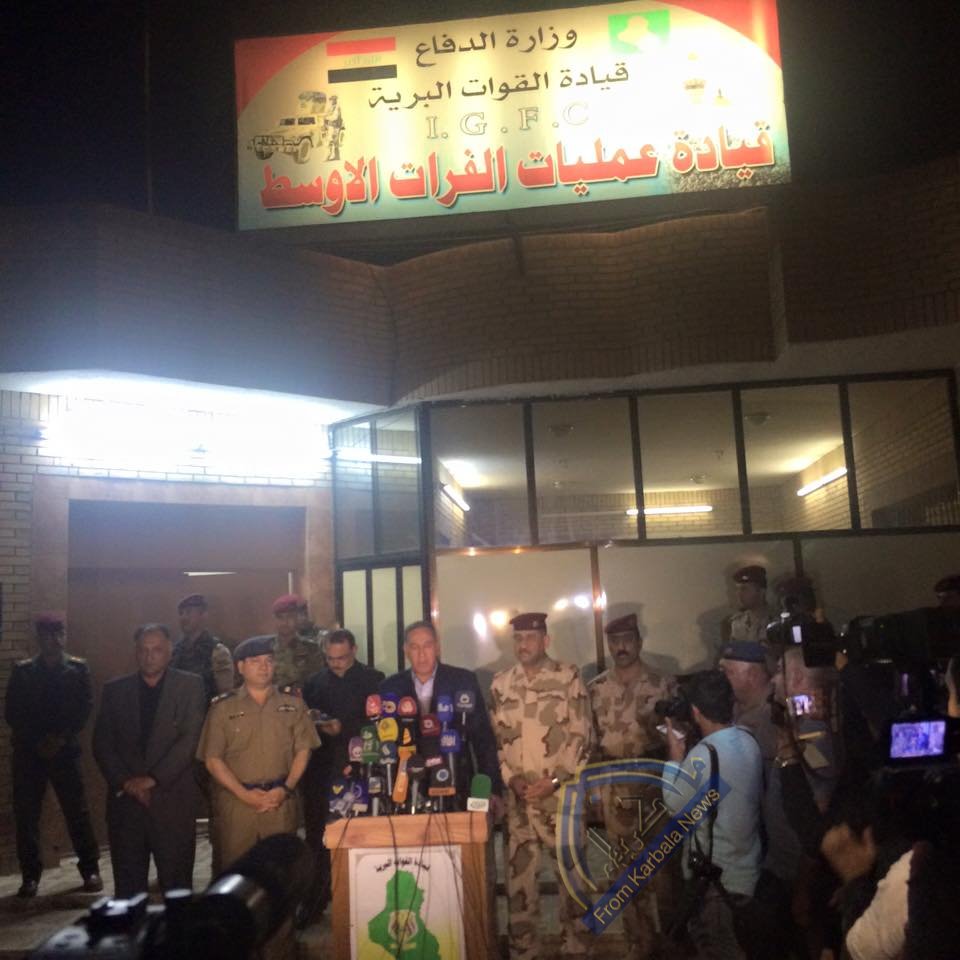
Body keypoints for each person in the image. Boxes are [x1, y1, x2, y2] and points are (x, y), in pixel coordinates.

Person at [490, 612, 592, 960]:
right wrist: (511, 778)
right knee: (519, 888)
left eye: (531, 637)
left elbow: (582, 736)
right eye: (518, 638)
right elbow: (495, 742)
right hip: (519, 804)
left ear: (545, 641)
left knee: (572, 883)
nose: (523, 644)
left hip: (560, 802)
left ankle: (577, 949)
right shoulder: (501, 684)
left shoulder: (567, 677)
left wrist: (554, 780)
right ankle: (524, 951)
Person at [93, 623, 206, 896]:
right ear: (136, 652)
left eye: (156, 650)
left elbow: (190, 740)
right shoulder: (115, 690)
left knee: (177, 890)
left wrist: (152, 779)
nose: (149, 656)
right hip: (127, 806)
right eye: (143, 650)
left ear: (169, 652)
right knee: (128, 893)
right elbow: (102, 743)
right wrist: (127, 782)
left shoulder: (190, 685)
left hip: (172, 803)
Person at [588, 612, 676, 959]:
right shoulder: (596, 688)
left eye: (627, 640)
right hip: (615, 788)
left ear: (639, 642)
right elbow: (591, 744)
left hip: (655, 784)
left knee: (664, 870)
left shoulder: (662, 683)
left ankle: (671, 942)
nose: (620, 647)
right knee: (624, 870)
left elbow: (679, 735)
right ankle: (638, 943)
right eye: (614, 641)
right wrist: (594, 792)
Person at [663, 670, 763, 960]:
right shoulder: (749, 740)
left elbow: (675, 806)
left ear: (696, 711)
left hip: (716, 882)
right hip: (748, 872)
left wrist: (675, 759)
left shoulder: (704, 755)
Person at [196, 635, 320, 868]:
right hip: (237, 805)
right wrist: (244, 794)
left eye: (269, 661)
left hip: (280, 801)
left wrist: (286, 788)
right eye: (255, 661)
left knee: (281, 872)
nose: (264, 667)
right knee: (237, 873)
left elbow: (304, 750)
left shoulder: (293, 704)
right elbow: (213, 759)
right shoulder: (223, 708)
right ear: (240, 667)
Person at [5, 612, 102, 898]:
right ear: (40, 638)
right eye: (50, 635)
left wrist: (59, 738)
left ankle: (90, 869)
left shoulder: (77, 669)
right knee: (26, 816)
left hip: (64, 750)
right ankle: (30, 876)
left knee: (77, 812)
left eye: (60, 634)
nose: (56, 640)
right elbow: (13, 712)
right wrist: (38, 741)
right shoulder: (23, 671)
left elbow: (84, 707)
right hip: (29, 753)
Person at [719, 642, 803, 958]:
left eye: (728, 671)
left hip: (781, 849)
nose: (722, 678)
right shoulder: (736, 711)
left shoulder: (775, 717)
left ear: (752, 674)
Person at [379, 620, 503, 808]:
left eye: (427, 646)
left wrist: (492, 787)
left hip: (456, 782)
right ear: (405, 650)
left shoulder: (462, 680)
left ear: (437, 647)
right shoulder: (389, 688)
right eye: (415, 647)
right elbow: (385, 741)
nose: (422, 654)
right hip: (408, 787)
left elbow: (483, 738)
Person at [302, 628, 384, 912]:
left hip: (361, 766)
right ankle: (316, 898)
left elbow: (380, 723)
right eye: (330, 659)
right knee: (318, 835)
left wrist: (344, 728)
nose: (336, 664)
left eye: (342, 658)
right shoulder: (314, 683)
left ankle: (367, 896)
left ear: (354, 651)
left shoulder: (373, 680)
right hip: (321, 768)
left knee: (361, 830)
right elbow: (305, 721)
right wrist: (319, 724)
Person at [171, 593, 234, 704]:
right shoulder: (175, 650)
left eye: (188, 612)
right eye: (181, 613)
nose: (184, 618)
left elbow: (225, 693)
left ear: (203, 615)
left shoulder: (217, 651)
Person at [269, 593, 325, 694]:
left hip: (301, 699)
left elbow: (315, 682)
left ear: (297, 618)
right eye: (280, 618)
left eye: (290, 617)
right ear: (274, 620)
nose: (285, 622)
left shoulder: (312, 649)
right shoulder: (265, 648)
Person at [720, 566, 771, 650]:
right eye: (737, 589)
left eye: (744, 589)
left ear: (761, 592)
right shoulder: (733, 623)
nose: (739, 594)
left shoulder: (777, 621)